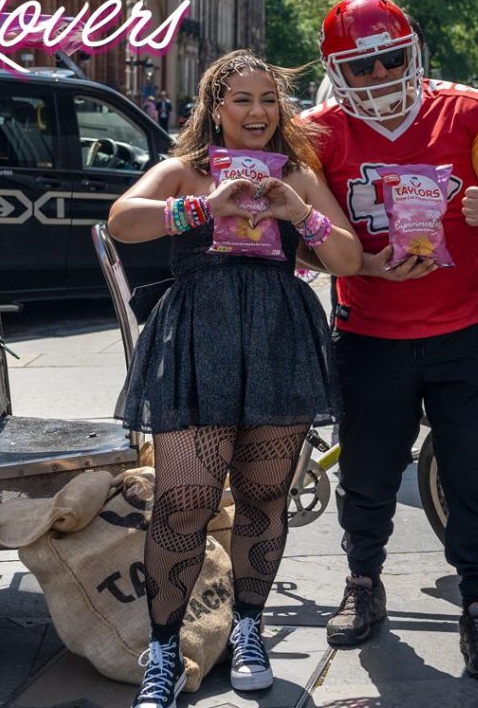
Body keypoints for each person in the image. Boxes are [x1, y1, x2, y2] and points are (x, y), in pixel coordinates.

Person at [108, 51, 361, 708]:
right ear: (215, 108)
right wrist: (202, 207)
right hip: (197, 338)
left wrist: (296, 213)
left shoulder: (296, 174)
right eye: (242, 100)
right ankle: (163, 645)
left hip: (277, 338)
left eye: (267, 100)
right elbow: (123, 220)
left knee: (262, 499)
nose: (256, 112)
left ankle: (248, 626)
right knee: (184, 502)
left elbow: (348, 255)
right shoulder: (187, 169)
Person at [301, 0, 478, 681]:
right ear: (336, 70)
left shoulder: (469, 111)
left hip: (463, 328)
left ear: (412, 53)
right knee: (368, 471)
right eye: (360, 66)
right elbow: (297, 242)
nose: (376, 76)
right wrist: (355, 261)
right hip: (369, 329)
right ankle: (364, 581)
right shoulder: (315, 132)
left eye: (389, 59)